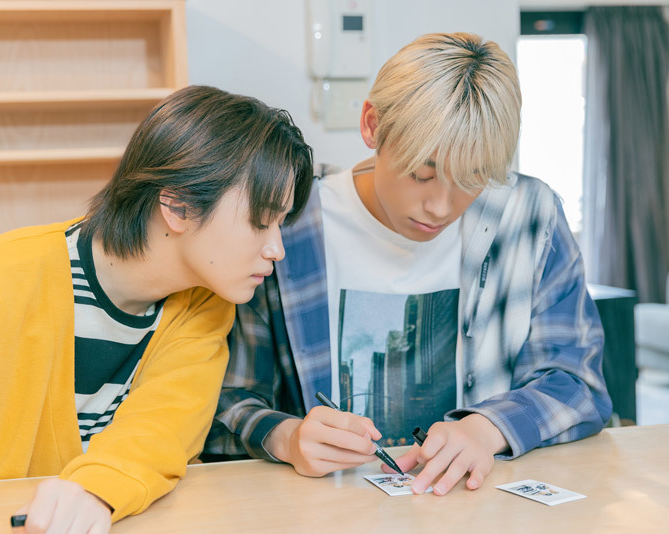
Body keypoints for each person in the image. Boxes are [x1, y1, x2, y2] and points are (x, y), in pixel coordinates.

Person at [0, 85, 314, 534]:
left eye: (281, 223)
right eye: (260, 222)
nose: (276, 249)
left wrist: (96, 491)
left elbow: (163, 430)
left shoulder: (204, 305)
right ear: (177, 205)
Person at [204, 32, 612, 498]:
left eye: (471, 179)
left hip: (480, 510)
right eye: (423, 173)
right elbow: (226, 400)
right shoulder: (288, 222)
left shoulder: (529, 217)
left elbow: (580, 384)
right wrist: (287, 437)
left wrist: (487, 428)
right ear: (372, 125)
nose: (440, 206)